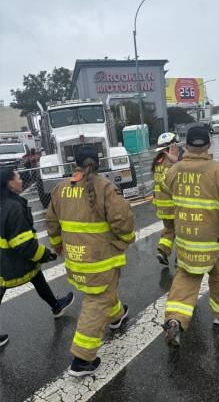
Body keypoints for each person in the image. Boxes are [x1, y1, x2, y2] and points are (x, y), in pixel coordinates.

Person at [46, 145, 135, 377]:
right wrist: (126, 240)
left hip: (75, 260)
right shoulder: (104, 187)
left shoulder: (60, 188)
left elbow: (52, 223)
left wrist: (58, 246)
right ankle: (82, 359)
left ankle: (117, 315)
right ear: (97, 162)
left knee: (103, 293)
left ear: (73, 164)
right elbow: (122, 221)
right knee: (97, 300)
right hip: (101, 260)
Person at [160, 126, 219, 346]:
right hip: (215, 241)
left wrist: (172, 164)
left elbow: (164, 197)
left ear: (186, 146)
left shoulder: (174, 171)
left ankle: (175, 319)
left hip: (187, 240)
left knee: (185, 279)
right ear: (209, 144)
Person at [0, 167, 74, 348]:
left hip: (6, 258)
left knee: (36, 276)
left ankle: (56, 305)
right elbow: (23, 244)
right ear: (10, 183)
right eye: (18, 177)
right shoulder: (13, 207)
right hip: (9, 260)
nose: (21, 179)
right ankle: (56, 305)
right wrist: (45, 255)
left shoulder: (5, 203)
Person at [152, 132, 182, 266]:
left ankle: (163, 251)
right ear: (172, 146)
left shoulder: (157, 162)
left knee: (169, 230)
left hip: (162, 207)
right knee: (182, 232)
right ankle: (180, 259)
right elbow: (173, 181)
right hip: (174, 205)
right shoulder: (171, 161)